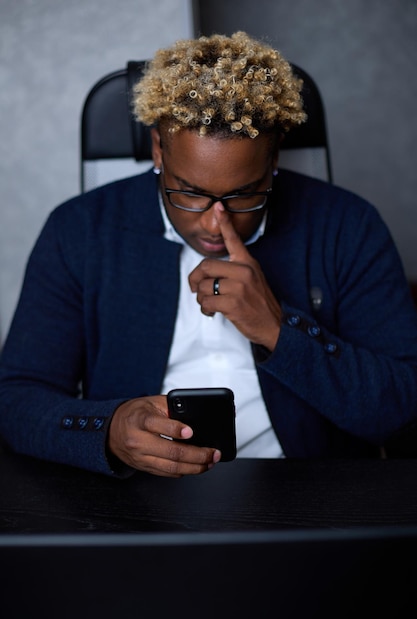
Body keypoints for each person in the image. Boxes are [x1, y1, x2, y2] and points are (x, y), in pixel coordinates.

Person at [1, 31, 417, 478]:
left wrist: (279, 329)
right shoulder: (79, 229)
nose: (215, 222)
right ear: (158, 149)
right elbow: (17, 399)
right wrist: (109, 430)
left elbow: (402, 408)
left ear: (273, 157)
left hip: (307, 494)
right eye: (191, 193)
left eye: (244, 194)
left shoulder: (346, 226)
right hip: (135, 501)